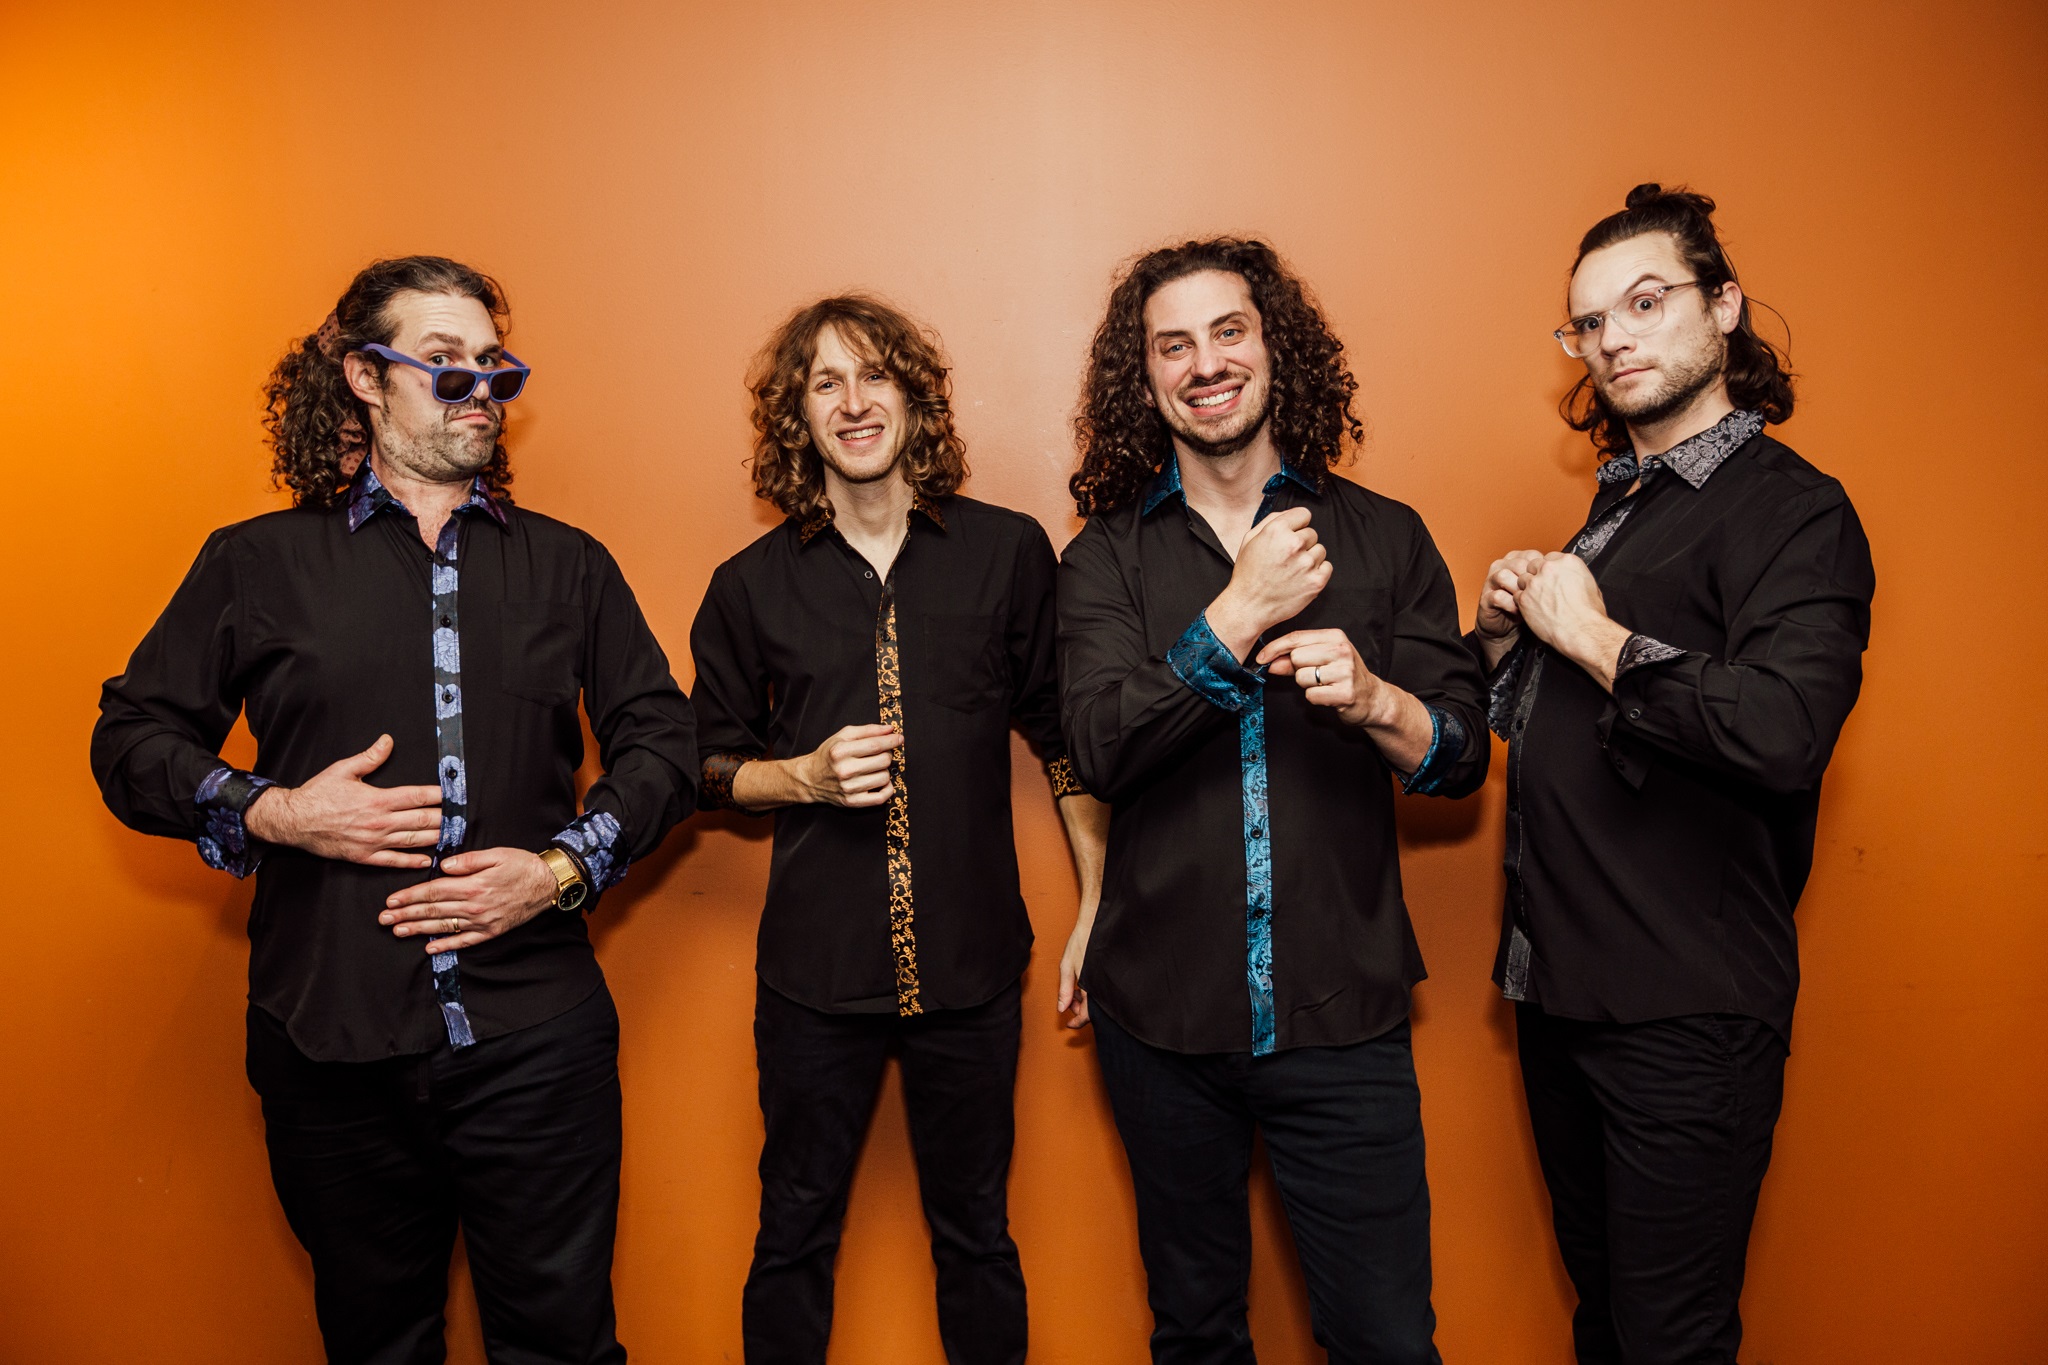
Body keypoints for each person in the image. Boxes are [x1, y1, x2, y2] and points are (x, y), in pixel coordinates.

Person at [91, 256, 698, 1364]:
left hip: (535, 1040)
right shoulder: (255, 562)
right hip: (330, 1041)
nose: (478, 390)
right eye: (444, 362)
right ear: (366, 378)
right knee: (377, 1345)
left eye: (492, 367)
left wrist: (561, 870)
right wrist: (271, 811)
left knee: (563, 1344)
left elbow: (666, 741)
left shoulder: (569, 567)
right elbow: (129, 742)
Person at [1056, 237, 1487, 1364]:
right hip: (1160, 1023)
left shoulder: (1384, 536)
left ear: (1272, 346)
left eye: (1227, 331)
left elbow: (1458, 758)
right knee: (1195, 1336)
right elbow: (1098, 745)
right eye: (1173, 345)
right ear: (1143, 380)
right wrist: (1234, 618)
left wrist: (1376, 700)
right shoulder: (1102, 561)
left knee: (1386, 1340)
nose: (1205, 362)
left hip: (1340, 1017)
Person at [1471, 184, 1874, 1364]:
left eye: (1643, 303)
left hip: (1685, 1014)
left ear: (1724, 309)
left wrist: (1590, 635)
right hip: (1561, 998)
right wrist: (1508, 636)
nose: (1613, 340)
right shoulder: (1613, 510)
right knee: (1607, 1322)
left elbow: (1783, 725)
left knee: (1668, 1341)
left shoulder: (1792, 513)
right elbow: (1553, 735)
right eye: (1587, 324)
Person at [689, 294, 1109, 1365]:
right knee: (792, 1235)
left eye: (873, 374)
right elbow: (703, 768)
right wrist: (804, 778)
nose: (853, 401)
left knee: (976, 1236)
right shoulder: (747, 587)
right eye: (824, 383)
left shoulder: (1009, 554)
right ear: (798, 416)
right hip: (810, 979)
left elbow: (1060, 738)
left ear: (915, 395)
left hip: (971, 972)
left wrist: (1097, 901)